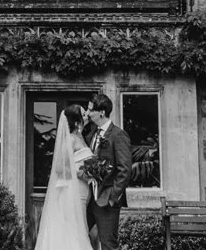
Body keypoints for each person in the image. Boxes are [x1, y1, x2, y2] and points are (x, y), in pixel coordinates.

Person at [34, 102, 96, 250]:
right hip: (74, 192)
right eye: (84, 113)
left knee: (80, 228)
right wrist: (82, 174)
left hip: (83, 192)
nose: (87, 114)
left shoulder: (81, 137)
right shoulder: (71, 139)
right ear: (76, 121)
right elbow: (60, 168)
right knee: (75, 230)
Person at [84, 93, 134, 250]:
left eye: (91, 109)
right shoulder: (91, 134)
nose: (87, 112)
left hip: (106, 201)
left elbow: (125, 169)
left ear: (102, 112)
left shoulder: (118, 135)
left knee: (108, 245)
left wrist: (112, 197)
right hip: (88, 200)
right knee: (76, 234)